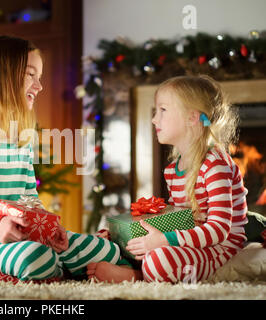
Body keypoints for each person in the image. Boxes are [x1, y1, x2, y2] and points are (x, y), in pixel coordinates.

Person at [0, 35, 138, 282]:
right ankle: (66, 270)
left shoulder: (21, 136)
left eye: (39, 77)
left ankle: (74, 267)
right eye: (30, 75)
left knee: (105, 249)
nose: (39, 86)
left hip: (21, 234)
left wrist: (49, 228)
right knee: (36, 258)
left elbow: (28, 198)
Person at [87, 75, 248, 283]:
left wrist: (164, 240)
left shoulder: (215, 164)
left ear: (192, 117)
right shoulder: (172, 170)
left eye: (162, 110)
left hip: (218, 249)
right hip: (190, 242)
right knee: (122, 245)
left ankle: (134, 276)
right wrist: (123, 234)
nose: (154, 119)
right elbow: (179, 220)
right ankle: (129, 261)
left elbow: (219, 230)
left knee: (158, 260)